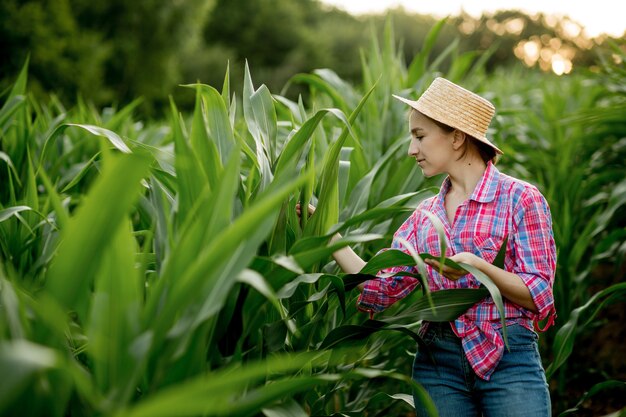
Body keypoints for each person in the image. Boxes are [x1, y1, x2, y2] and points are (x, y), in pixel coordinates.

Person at [298, 77, 556, 416]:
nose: (411, 149)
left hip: (509, 358)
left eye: (420, 136)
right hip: (438, 364)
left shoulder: (520, 199)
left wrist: (477, 266)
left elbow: (539, 293)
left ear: (458, 137)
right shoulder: (425, 217)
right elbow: (380, 289)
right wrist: (328, 235)